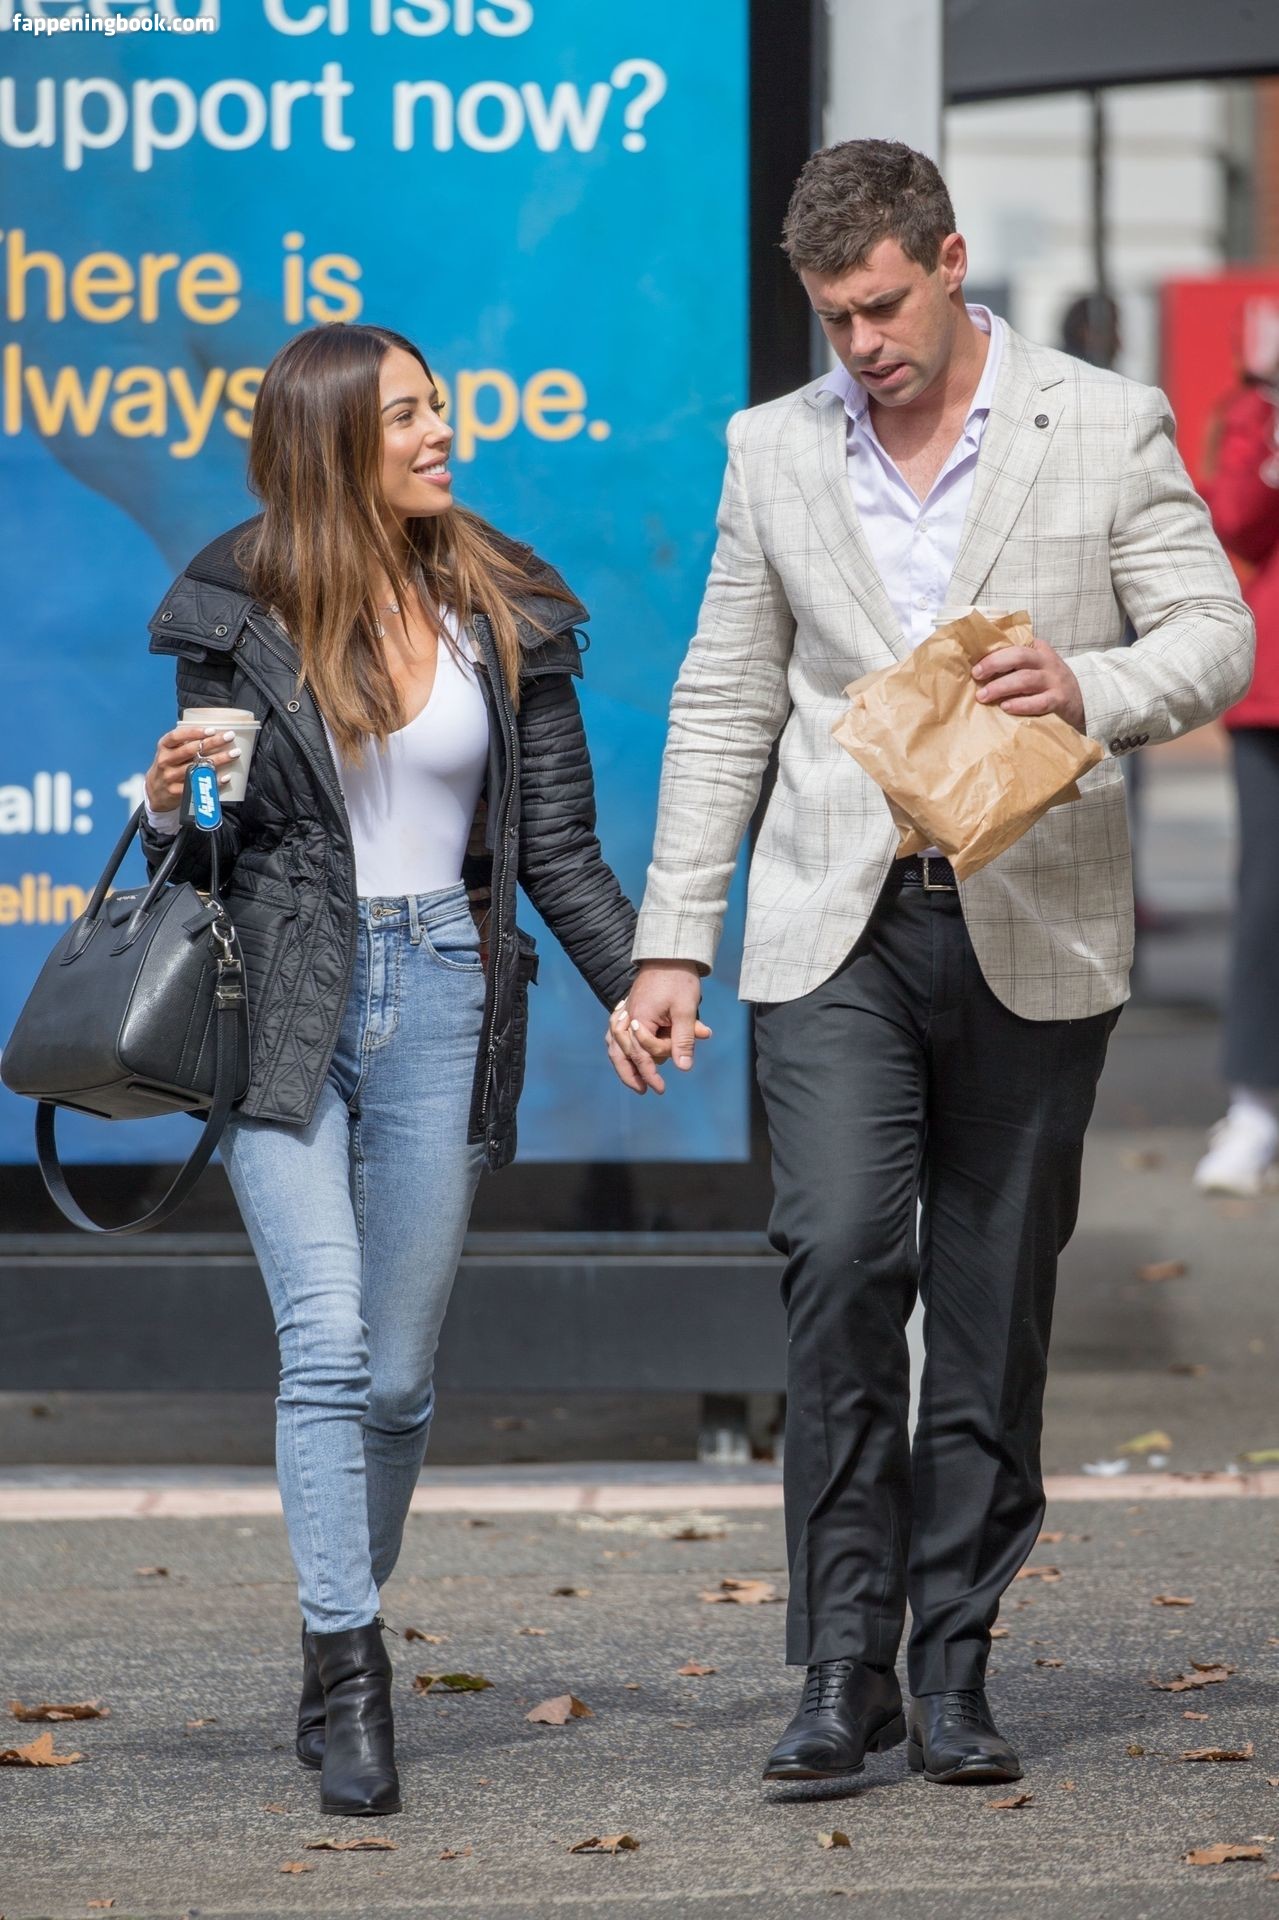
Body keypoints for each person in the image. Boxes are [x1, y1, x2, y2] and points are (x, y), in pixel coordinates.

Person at [607, 140, 1253, 1790]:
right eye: (831, 318)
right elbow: (721, 697)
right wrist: (672, 938)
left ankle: (949, 1658)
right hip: (831, 919)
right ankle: (842, 1663)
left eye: (881, 306)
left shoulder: (1097, 421)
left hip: (1033, 917)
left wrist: (1091, 684)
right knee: (834, 1260)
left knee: (986, 1302)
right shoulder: (771, 449)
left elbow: (1211, 634)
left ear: (948, 262)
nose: (860, 345)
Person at [140, 323, 637, 1818]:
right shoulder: (234, 603)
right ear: (331, 444)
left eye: (437, 407)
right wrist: (168, 804)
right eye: (406, 416)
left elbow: (555, 846)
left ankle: (327, 1631)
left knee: (402, 1382)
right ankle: (356, 1676)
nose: (438, 433)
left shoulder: (503, 600)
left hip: (441, 989)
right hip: (279, 992)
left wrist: (637, 986)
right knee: (331, 1346)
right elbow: (207, 842)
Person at [1194, 355, 1279, 1194]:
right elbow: (1238, 522)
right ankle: (1254, 1104)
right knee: (1266, 902)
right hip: (1274, 702)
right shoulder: (1260, 405)